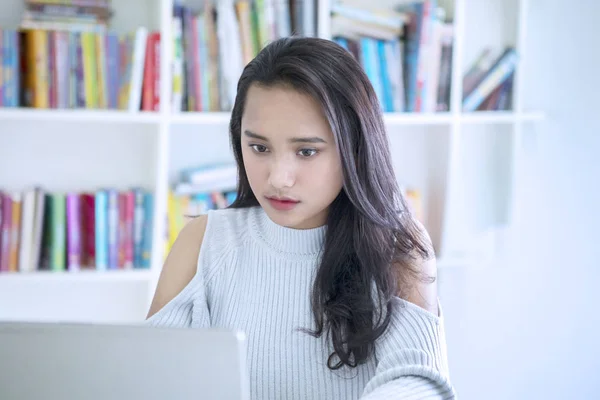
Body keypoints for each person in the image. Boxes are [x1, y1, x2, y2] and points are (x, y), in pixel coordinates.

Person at [146, 37, 456, 399]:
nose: (278, 178)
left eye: (306, 151)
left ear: (354, 149)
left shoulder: (398, 247)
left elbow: (418, 380)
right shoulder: (203, 242)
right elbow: (149, 375)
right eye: (259, 148)